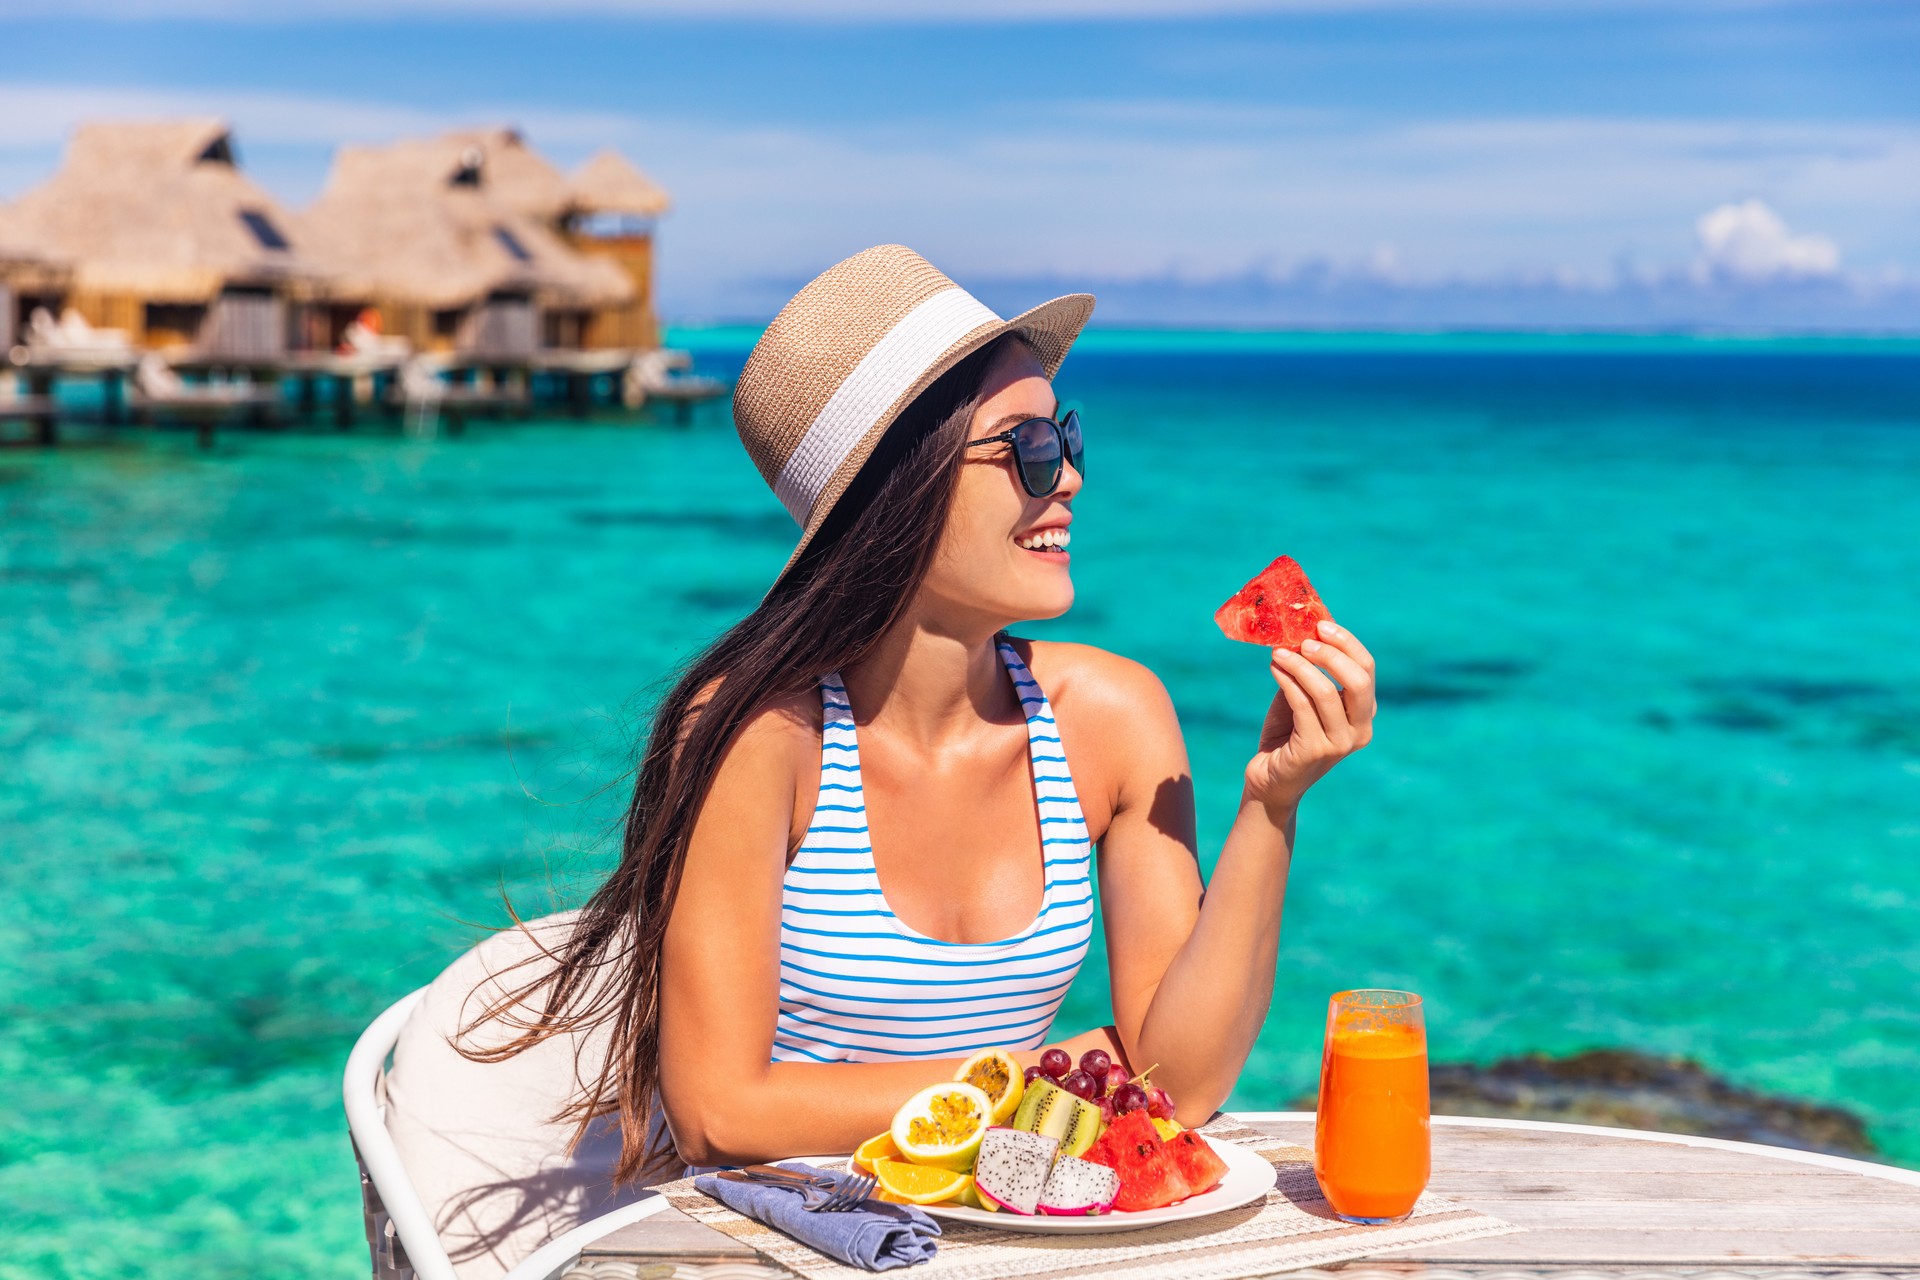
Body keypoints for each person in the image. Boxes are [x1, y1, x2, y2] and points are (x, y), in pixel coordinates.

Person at [474, 245, 1376, 1185]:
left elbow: (1180, 1086)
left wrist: (1272, 805)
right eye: (1027, 451)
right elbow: (717, 1114)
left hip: (1009, 1229)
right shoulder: (758, 736)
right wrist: (1037, 1075)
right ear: (897, 492)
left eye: (1065, 441)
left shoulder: (1111, 716)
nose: (1067, 480)